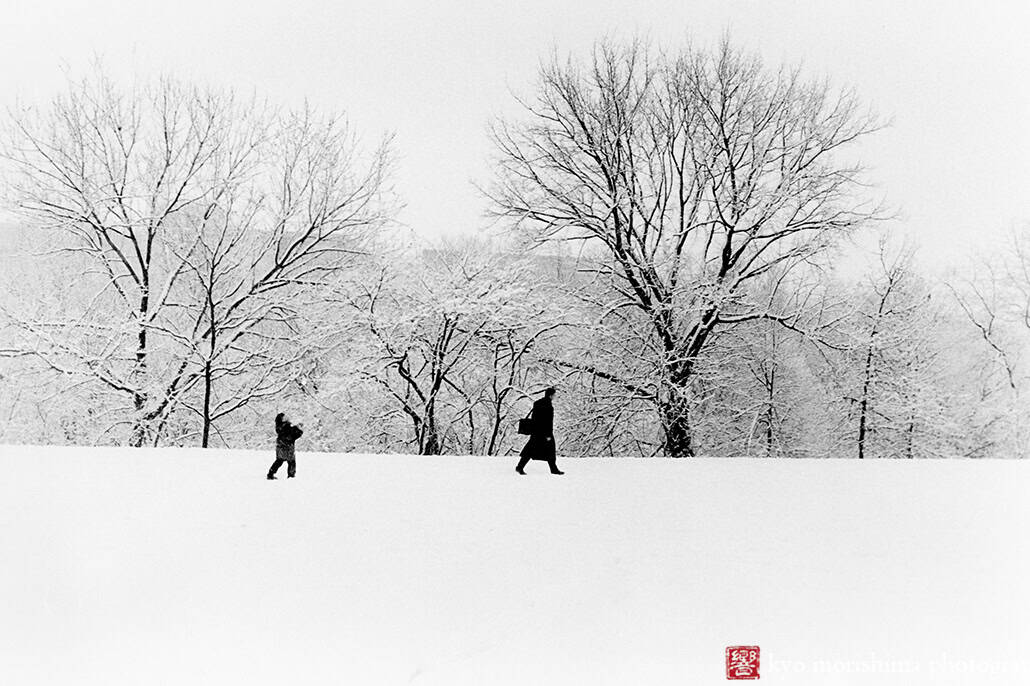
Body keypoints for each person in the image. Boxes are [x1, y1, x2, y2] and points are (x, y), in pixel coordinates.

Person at [516, 387, 563, 475]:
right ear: (550, 395)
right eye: (554, 395)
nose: (555, 396)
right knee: (550, 450)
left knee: (530, 450)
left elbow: (535, 418)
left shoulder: (538, 403)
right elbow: (548, 422)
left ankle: (520, 466)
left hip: (536, 432)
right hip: (544, 433)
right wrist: (548, 434)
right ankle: (553, 469)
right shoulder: (548, 406)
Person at [268, 412, 303, 479]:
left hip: (280, 446)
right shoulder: (287, 426)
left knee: (279, 461)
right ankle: (291, 476)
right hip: (288, 447)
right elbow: (293, 435)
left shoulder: (279, 427)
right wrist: (299, 429)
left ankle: (270, 473)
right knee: (291, 462)